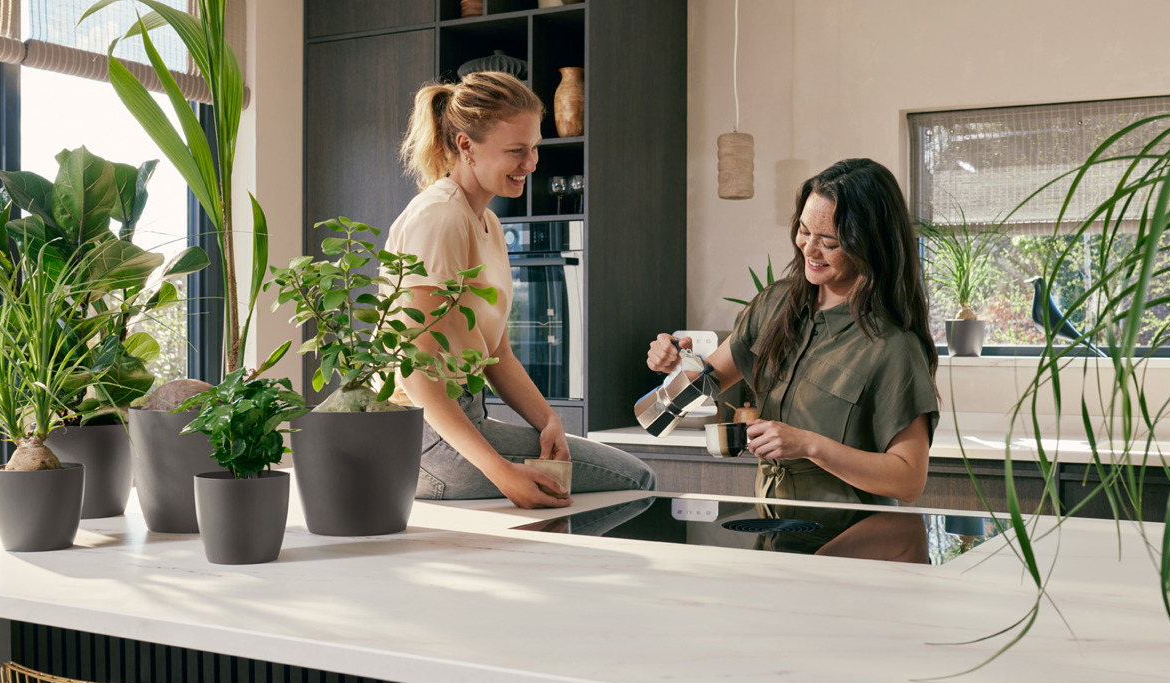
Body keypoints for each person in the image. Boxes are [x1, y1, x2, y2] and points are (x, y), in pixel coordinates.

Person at [387, 72, 655, 509]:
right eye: (515, 151)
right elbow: (416, 374)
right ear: (465, 146)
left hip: (457, 425)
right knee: (634, 478)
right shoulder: (440, 218)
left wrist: (547, 420)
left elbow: (497, 354)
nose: (530, 164)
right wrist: (500, 471)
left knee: (616, 478)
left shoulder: (487, 223)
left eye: (534, 149)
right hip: (423, 443)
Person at [648, 158, 939, 506]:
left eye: (829, 242)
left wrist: (810, 445)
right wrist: (676, 360)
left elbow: (909, 480)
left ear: (870, 244)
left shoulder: (894, 346)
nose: (809, 250)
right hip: (774, 524)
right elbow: (711, 379)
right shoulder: (775, 303)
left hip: (852, 541)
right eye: (804, 230)